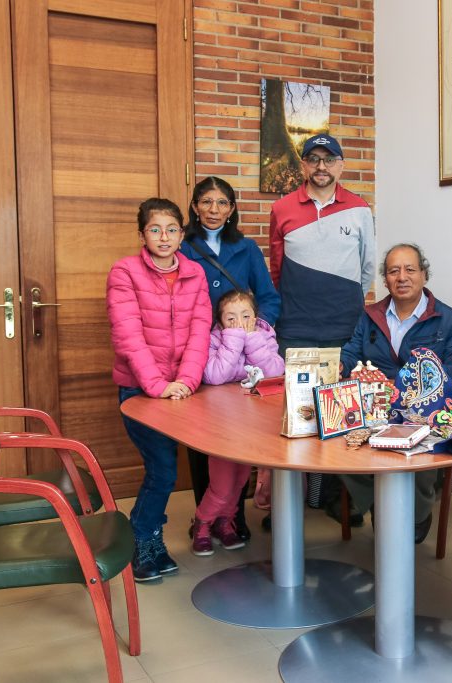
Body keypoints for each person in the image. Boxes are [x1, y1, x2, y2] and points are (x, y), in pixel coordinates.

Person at [337, 243, 452, 543]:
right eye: (393, 271)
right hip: (374, 407)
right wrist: (338, 366)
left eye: (410, 269)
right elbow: (350, 354)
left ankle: (418, 514)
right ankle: (380, 507)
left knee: (419, 446)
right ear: (385, 279)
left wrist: (411, 384)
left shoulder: (450, 320)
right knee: (337, 442)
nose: (402, 277)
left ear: (424, 274)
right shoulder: (370, 315)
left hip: (423, 412)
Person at [107, 198, 212, 583]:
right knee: (164, 470)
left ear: (182, 235)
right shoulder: (124, 272)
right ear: (142, 234)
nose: (163, 237)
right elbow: (128, 336)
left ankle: (148, 539)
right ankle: (141, 541)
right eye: (155, 229)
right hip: (139, 390)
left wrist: (185, 381)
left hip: (182, 390)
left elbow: (201, 331)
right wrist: (157, 386)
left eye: (171, 229)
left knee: (164, 470)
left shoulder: (195, 273)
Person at [181, 176, 281, 539]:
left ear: (232, 209)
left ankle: (231, 519)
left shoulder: (247, 249)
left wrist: (256, 329)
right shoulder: (183, 247)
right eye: (206, 202)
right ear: (194, 207)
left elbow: (269, 297)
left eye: (222, 202)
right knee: (202, 439)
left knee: (237, 441)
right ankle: (203, 517)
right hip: (199, 352)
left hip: (241, 361)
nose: (214, 209)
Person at [189, 289, 285, 556]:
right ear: (220, 323)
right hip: (221, 425)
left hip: (250, 425)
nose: (239, 324)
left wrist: (252, 340)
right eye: (231, 319)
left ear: (256, 317)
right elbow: (216, 375)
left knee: (241, 480)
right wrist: (234, 339)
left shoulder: (264, 336)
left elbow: (275, 370)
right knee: (220, 485)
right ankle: (202, 524)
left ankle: (224, 523)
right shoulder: (215, 339)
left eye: (245, 317)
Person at [268, 133, 375, 353]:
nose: (321, 166)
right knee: (293, 389)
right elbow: (277, 270)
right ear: (303, 165)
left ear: (341, 166)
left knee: (345, 389)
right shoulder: (281, 209)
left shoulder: (360, 209)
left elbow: (368, 266)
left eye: (329, 159)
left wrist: (347, 298)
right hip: (295, 330)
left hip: (347, 328)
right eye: (314, 159)